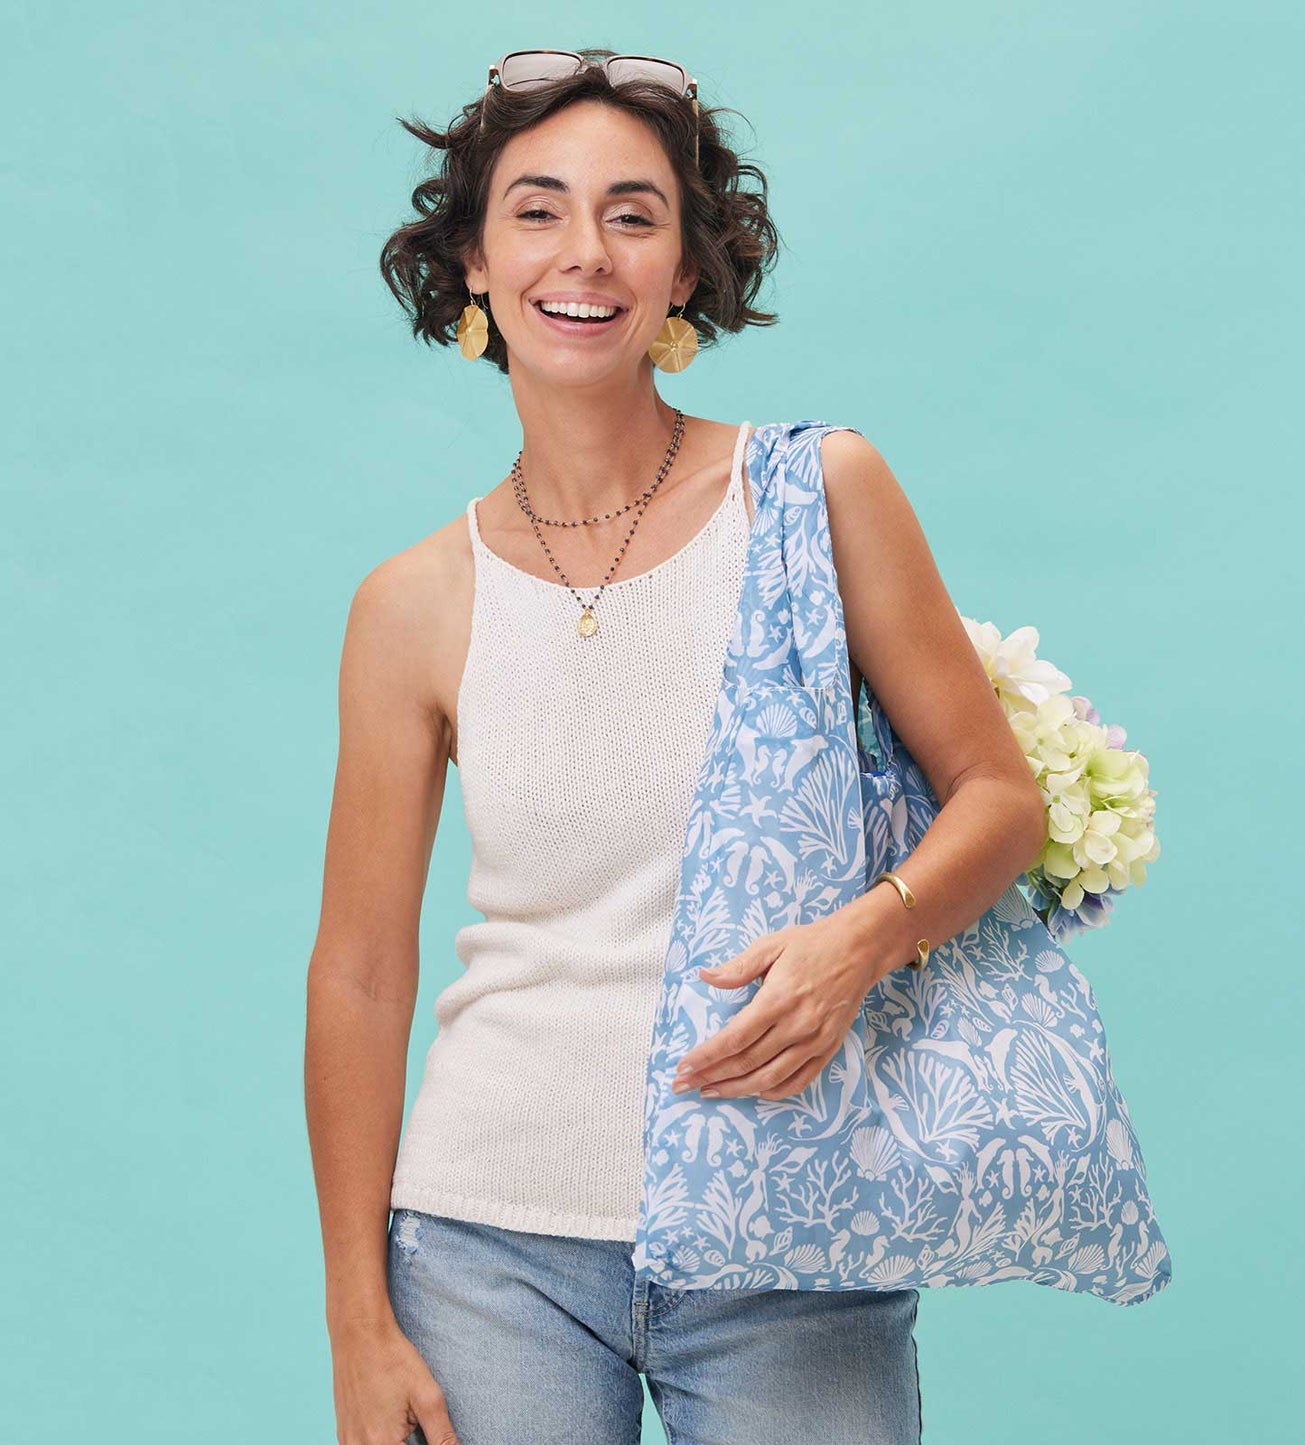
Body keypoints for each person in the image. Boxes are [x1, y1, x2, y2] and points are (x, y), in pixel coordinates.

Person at [305, 48, 1046, 1445]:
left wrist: (864, 938)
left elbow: (999, 799)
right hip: (486, 1241)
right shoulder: (410, 604)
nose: (584, 253)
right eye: (536, 210)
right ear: (472, 261)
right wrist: (357, 1314)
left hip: (789, 1226)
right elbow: (357, 971)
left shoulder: (816, 494)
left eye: (633, 214)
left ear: (689, 268)